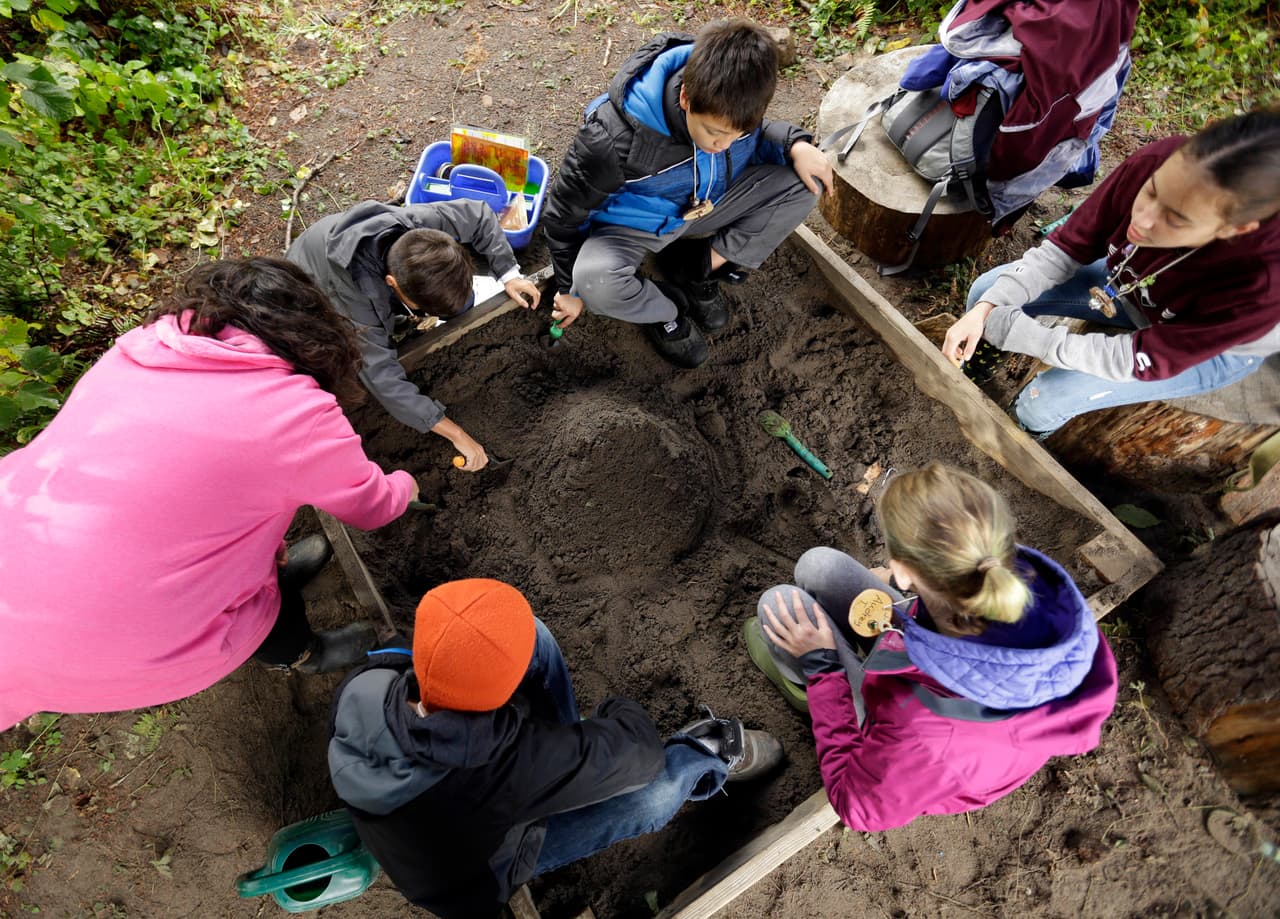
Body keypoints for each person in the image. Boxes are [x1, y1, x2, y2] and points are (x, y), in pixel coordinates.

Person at [0, 258, 419, 734]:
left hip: (23, 539)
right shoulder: (296, 414)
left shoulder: (140, 350)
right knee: (258, 618)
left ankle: (263, 575)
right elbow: (372, 506)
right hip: (120, 634)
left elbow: (180, 489)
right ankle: (305, 654)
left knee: (242, 538)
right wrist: (407, 483)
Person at [328, 578, 783, 919]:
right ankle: (703, 753)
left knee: (532, 637)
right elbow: (639, 752)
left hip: (419, 820)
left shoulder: (370, 681)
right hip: (476, 877)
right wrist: (613, 711)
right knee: (655, 789)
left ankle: (571, 742)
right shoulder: (504, 762)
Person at [744, 463, 1117, 832]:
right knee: (820, 566)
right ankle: (841, 664)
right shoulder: (1030, 589)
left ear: (906, 571)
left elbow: (856, 809)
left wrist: (823, 668)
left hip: (933, 742)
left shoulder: (925, 736)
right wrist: (906, 589)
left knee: (777, 604)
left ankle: (805, 689)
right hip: (953, 681)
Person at [943, 108, 1280, 435]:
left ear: (1235, 229)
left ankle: (1018, 437)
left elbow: (1147, 356)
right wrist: (990, 308)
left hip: (1204, 348)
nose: (1142, 220)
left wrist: (1034, 339)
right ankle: (975, 365)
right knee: (986, 294)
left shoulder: (1264, 282)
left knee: (1043, 403)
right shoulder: (1158, 161)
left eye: (1176, 219)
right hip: (1128, 283)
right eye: (1151, 191)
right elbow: (1067, 248)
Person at [541, 19, 833, 369]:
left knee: (806, 183)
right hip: (632, 229)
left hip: (702, 206)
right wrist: (566, 290)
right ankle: (667, 308)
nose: (722, 145)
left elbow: (754, 140)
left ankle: (695, 267)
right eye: (713, 132)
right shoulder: (611, 142)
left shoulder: (729, 100)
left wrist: (795, 144)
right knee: (594, 283)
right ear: (685, 98)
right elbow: (561, 216)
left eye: (737, 132)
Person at [287, 199, 542, 470]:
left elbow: (479, 214)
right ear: (392, 284)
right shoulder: (357, 304)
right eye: (417, 306)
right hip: (310, 289)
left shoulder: (421, 230)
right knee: (346, 359)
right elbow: (384, 379)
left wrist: (509, 274)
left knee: (461, 304)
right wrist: (456, 433)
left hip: (371, 268)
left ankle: (411, 313)